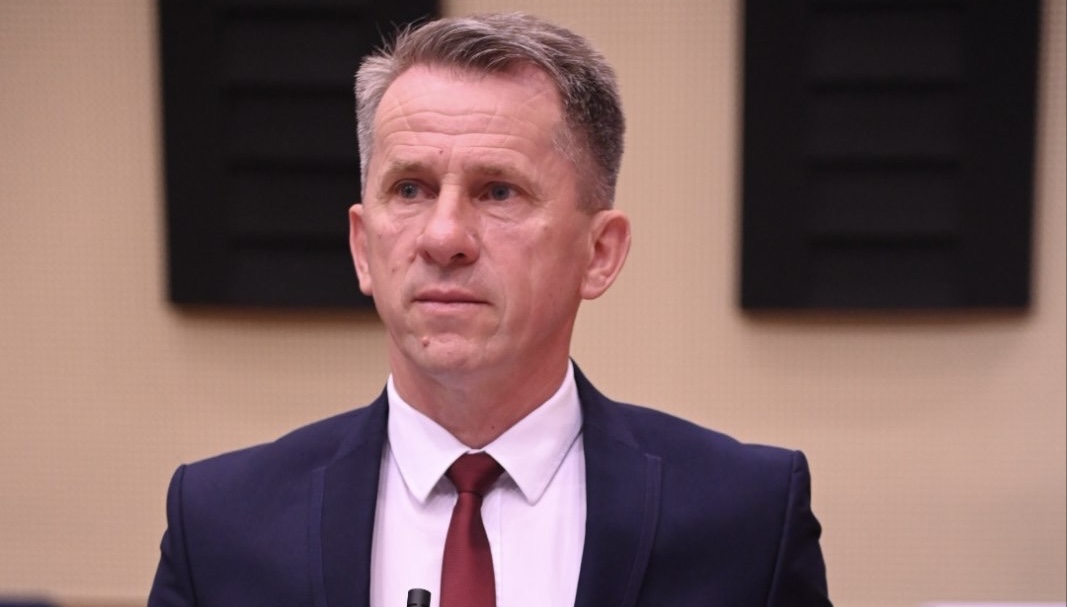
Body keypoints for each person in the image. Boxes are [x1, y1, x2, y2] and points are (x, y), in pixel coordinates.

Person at [148, 13, 831, 607]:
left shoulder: (746, 517)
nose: (443, 236)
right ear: (362, 246)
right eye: (410, 189)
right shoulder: (220, 524)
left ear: (599, 253)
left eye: (498, 191)